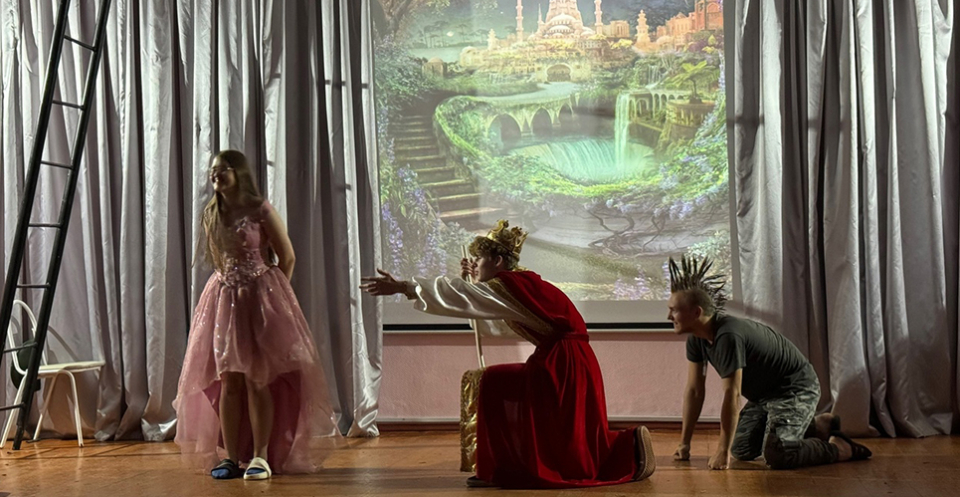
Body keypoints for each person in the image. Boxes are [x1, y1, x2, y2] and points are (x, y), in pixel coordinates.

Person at [361, 220, 655, 489]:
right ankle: (507, 465)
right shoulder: (521, 286)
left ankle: (503, 467)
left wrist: (404, 287)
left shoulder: (512, 286)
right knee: (498, 382)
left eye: (480, 259)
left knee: (493, 381)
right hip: (567, 362)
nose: (475, 264)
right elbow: (490, 319)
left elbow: (463, 297)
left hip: (562, 365)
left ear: (498, 261)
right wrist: (472, 284)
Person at [173, 150, 337, 480]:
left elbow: (287, 256)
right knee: (229, 381)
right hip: (224, 300)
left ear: (239, 172)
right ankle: (231, 458)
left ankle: (261, 456)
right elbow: (219, 258)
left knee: (258, 379)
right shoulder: (212, 212)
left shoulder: (260, 209)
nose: (215, 174)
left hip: (259, 302)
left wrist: (273, 297)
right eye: (213, 170)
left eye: (223, 168)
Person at [666, 255, 872, 470]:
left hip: (794, 390)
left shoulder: (728, 336)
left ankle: (839, 448)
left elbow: (732, 395)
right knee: (742, 449)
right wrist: (684, 444)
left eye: (674, 310)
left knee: (779, 454)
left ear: (696, 312)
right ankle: (819, 426)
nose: (669, 316)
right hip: (763, 397)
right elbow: (694, 391)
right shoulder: (697, 340)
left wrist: (722, 452)